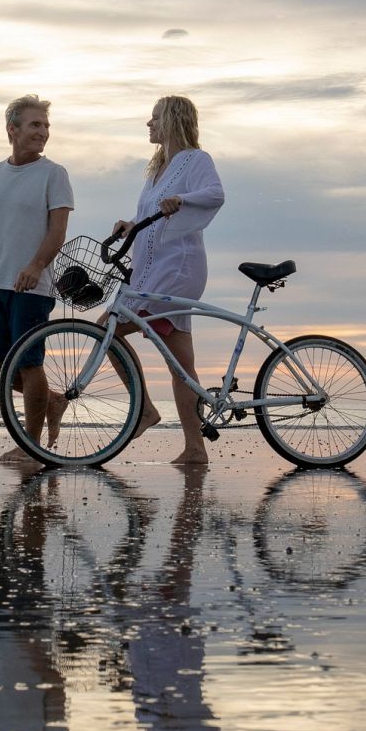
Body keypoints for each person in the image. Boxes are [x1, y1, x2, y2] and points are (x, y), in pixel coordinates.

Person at [0, 94, 73, 462]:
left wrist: (36, 266)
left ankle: (30, 447)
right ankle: (51, 401)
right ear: (13, 129)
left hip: (32, 287)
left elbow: (58, 231)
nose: (43, 132)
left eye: (46, 126)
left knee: (28, 363)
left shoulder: (54, 174)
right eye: (36, 124)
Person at [108, 95, 224, 464]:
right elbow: (152, 216)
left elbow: (215, 193)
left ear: (172, 120)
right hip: (151, 269)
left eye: (155, 117)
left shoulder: (195, 159)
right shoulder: (157, 169)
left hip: (177, 269)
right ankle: (195, 448)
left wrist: (182, 199)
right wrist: (130, 225)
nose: (149, 123)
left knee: (108, 329)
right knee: (181, 364)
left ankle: (144, 410)